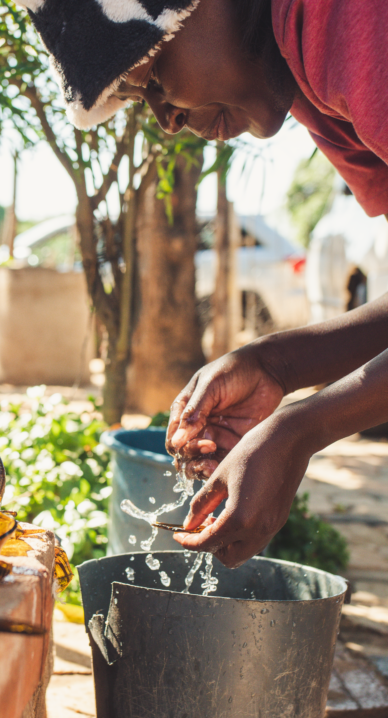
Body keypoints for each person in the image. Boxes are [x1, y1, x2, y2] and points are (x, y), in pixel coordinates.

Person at [19, 0, 388, 567]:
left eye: (152, 75)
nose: (165, 121)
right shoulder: (315, 99)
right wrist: (276, 365)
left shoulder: (339, 19)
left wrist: (302, 429)